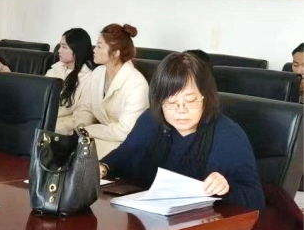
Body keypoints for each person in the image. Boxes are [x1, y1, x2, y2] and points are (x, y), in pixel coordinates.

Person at [100, 52, 263, 211]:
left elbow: (255, 199)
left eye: (190, 101)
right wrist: (104, 166)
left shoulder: (228, 135)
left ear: (205, 97)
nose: (181, 110)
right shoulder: (151, 119)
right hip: (144, 215)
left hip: (200, 223)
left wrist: (225, 188)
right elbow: (126, 153)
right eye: (171, 102)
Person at [71, 23, 149, 158]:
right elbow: (86, 108)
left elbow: (125, 131)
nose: (94, 50)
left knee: (79, 155)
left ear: (115, 53)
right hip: (101, 139)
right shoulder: (97, 73)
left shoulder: (137, 84)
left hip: (126, 144)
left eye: (99, 46)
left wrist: (89, 131)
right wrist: (79, 128)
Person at [47, 28, 94, 134]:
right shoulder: (55, 70)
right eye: (60, 46)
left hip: (59, 130)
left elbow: (84, 117)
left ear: (77, 50)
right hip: (41, 122)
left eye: (64, 47)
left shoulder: (88, 78)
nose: (59, 50)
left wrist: (50, 126)